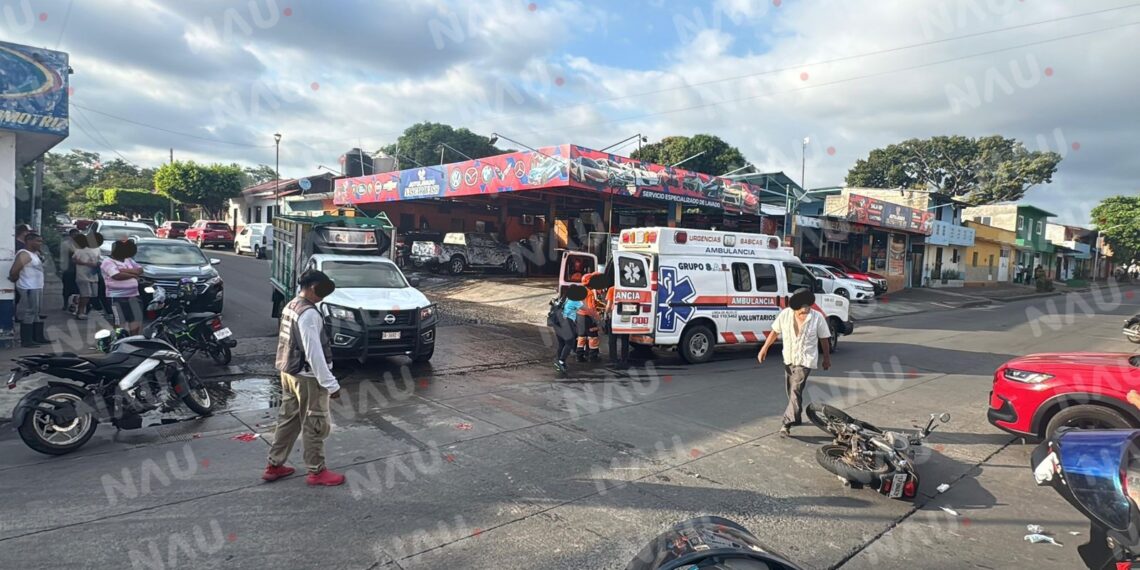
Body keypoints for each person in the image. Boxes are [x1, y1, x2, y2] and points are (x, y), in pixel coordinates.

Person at [263, 269, 345, 486]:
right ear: (310, 287)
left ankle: (274, 464)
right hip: (308, 377)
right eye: (321, 289)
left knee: (288, 420)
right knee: (314, 423)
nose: (323, 295)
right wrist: (330, 384)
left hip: (289, 372)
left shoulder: (292, 305)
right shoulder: (309, 314)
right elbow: (314, 352)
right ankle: (316, 471)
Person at [757, 288, 832, 436]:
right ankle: (796, 417)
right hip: (789, 358)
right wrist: (764, 348)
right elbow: (774, 332)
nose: (805, 310)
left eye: (807, 306)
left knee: (796, 389)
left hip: (806, 360)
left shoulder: (817, 318)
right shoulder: (785, 314)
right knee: (791, 390)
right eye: (802, 307)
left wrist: (826, 359)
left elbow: (824, 339)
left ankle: (787, 423)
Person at [8, 232, 49, 346]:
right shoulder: (24, 254)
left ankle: (38, 337)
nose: (40, 243)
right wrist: (15, 280)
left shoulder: (35, 253)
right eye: (38, 241)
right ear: (29, 241)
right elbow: (14, 271)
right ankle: (26, 340)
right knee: (30, 311)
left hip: (37, 285)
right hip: (29, 287)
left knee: (36, 312)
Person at [101, 240, 144, 335]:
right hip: (117, 297)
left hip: (134, 295)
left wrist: (124, 270)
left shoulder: (128, 260)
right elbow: (116, 276)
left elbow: (140, 270)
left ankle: (133, 340)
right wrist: (133, 274)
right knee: (120, 321)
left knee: (135, 319)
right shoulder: (107, 262)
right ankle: (119, 340)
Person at [551, 284, 587, 375]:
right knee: (569, 343)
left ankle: (558, 361)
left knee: (562, 343)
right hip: (567, 323)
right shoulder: (575, 300)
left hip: (558, 323)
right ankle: (561, 361)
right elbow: (586, 309)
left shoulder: (564, 298)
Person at [71, 234, 101, 320]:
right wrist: (87, 263)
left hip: (93, 274)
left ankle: (77, 301)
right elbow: (74, 260)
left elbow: (98, 259)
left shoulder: (97, 249)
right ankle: (80, 312)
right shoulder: (80, 248)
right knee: (86, 294)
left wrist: (98, 264)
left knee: (93, 294)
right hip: (82, 274)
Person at [575, 273, 602, 362]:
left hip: (579, 316)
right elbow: (591, 308)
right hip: (588, 317)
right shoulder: (589, 293)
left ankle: (579, 356)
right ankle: (593, 356)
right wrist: (597, 316)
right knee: (593, 336)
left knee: (581, 336)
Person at [60, 229, 81, 311]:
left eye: (77, 235)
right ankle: (65, 303)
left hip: (79, 269)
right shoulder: (66, 244)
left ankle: (74, 303)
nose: (76, 236)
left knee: (78, 288)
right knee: (66, 288)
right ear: (70, 236)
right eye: (74, 235)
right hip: (68, 269)